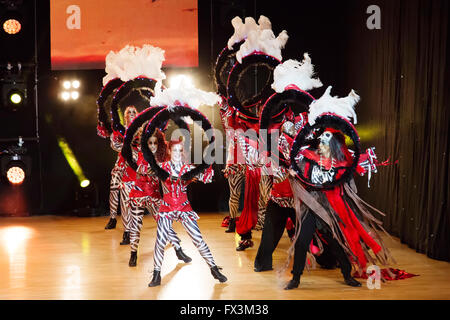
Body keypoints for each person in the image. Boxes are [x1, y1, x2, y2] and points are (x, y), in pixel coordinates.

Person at [148, 139, 227, 287]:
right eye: (175, 150)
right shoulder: (163, 167)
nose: (177, 154)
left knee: (198, 240)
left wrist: (208, 162)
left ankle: (214, 269)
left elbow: (206, 178)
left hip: (184, 208)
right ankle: (156, 274)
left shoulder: (187, 169)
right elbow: (145, 170)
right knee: (160, 241)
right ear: (170, 151)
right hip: (167, 208)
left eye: (180, 150)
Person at [127, 129, 191, 267]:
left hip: (154, 196)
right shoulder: (138, 153)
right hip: (138, 193)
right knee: (136, 225)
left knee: (165, 224)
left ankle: (178, 250)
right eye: (149, 143)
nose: (152, 145)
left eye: (155, 143)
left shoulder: (162, 158)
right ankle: (133, 253)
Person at [104, 106, 137, 240]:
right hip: (122, 163)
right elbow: (114, 145)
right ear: (125, 116)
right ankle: (113, 218)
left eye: (134, 112)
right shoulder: (120, 130)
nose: (131, 114)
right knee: (113, 186)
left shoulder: (140, 129)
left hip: (135, 165)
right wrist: (125, 146)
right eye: (128, 112)